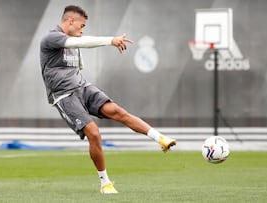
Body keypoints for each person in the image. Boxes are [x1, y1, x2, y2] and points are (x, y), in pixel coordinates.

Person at [40, 5, 176, 194]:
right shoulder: (51, 38)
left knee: (117, 111)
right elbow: (81, 43)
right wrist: (111, 40)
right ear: (70, 21)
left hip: (83, 87)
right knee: (94, 134)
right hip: (64, 95)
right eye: (82, 25)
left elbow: (76, 61)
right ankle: (105, 183)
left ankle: (160, 138)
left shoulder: (73, 39)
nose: (82, 29)